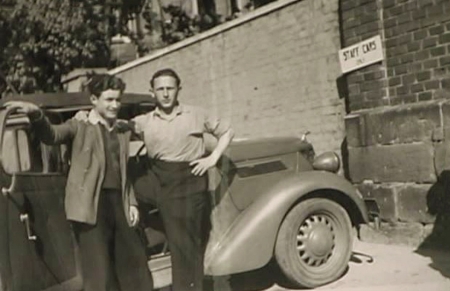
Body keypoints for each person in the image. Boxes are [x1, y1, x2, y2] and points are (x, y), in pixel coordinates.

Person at [5, 74, 154, 291]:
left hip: (118, 203)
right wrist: (36, 114)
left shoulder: (121, 131)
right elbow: (52, 136)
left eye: (117, 100)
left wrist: (131, 202)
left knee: (134, 267)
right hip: (90, 207)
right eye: (109, 100)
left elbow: (123, 172)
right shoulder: (80, 124)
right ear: (94, 100)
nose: (115, 105)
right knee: (98, 272)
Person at [131, 68, 234, 291]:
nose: (166, 93)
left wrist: (212, 158)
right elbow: (111, 129)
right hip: (158, 178)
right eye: (160, 89)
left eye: (170, 88)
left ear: (179, 89)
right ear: (152, 92)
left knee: (186, 246)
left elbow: (227, 131)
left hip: (190, 181)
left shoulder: (196, 114)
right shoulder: (143, 121)